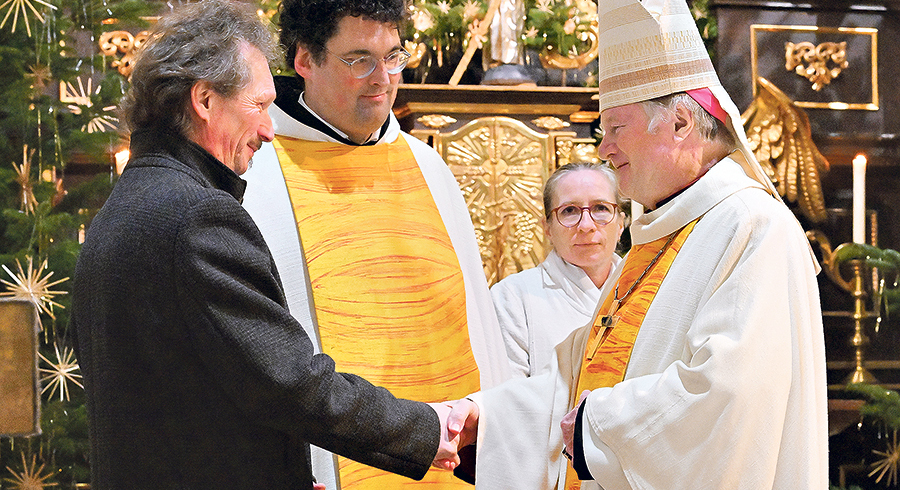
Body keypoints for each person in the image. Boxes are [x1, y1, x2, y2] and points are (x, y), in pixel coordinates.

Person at [70, 2, 463, 488]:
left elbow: (187, 393)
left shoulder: (121, 209)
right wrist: (431, 429)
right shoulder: (198, 217)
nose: (268, 129)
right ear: (205, 100)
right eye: (258, 105)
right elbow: (292, 384)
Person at [442, 0, 828, 488]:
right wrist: (486, 417)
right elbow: (581, 380)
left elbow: (725, 401)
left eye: (615, 129)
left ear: (681, 124)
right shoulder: (661, 235)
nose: (603, 149)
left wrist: (593, 426)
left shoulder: (751, 227)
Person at [240, 0, 510, 488]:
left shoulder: (429, 168)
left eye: (392, 56)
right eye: (358, 59)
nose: (382, 78)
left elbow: (478, 330)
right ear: (304, 60)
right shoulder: (258, 174)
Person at [490, 162, 624, 378]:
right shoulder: (511, 297)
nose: (586, 225)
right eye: (569, 211)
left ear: (621, 224)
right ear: (547, 228)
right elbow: (506, 397)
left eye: (601, 208)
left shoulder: (646, 288)